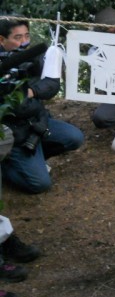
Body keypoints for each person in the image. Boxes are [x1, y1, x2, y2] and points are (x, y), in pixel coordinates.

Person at [0, 19, 84, 194]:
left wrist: (31, 91)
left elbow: (52, 84)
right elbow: (18, 107)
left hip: (37, 122)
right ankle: (7, 166)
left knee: (74, 137)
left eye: (27, 36)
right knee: (40, 184)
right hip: (14, 133)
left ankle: (35, 159)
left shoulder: (34, 55)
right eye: (18, 37)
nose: (24, 42)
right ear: (2, 39)